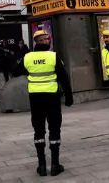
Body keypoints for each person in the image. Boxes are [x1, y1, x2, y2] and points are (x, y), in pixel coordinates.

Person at [14, 29, 73, 176]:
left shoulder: (28, 57)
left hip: (35, 98)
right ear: (44, 41)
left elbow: (15, 71)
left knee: (39, 130)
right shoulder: (53, 56)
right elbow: (64, 77)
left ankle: (41, 166)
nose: (48, 41)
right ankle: (55, 165)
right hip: (52, 97)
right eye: (47, 39)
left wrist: (30, 71)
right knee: (54, 128)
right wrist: (69, 96)